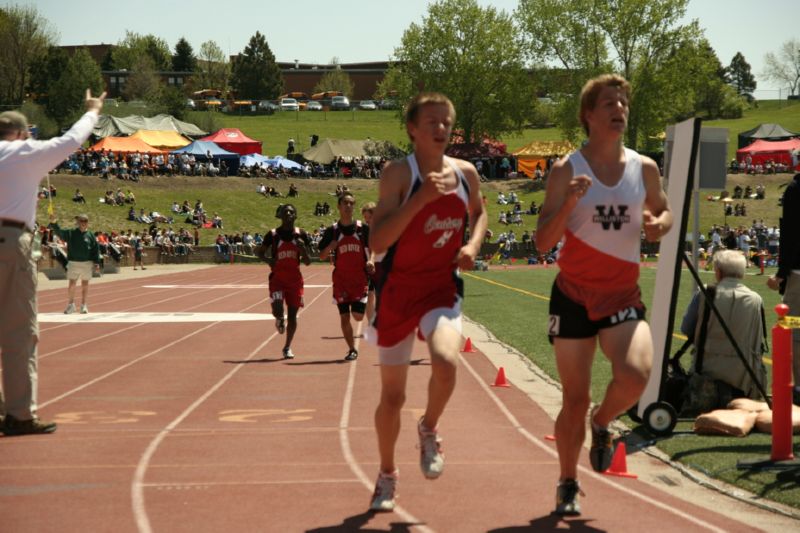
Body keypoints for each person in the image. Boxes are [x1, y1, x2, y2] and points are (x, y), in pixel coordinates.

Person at [535, 74, 672, 516]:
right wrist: (570, 205)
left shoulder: (644, 167)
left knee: (635, 376)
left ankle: (602, 421)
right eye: (609, 102)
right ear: (588, 115)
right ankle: (568, 482)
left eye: (624, 103)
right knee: (572, 399)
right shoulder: (566, 170)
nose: (619, 109)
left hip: (621, 296)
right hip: (573, 296)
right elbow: (541, 242)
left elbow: (664, 210)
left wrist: (660, 225)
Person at [367, 92, 487, 512]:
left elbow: (480, 212)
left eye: (447, 122)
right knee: (392, 398)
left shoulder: (467, 172)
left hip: (441, 287)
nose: (441, 128)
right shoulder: (399, 174)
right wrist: (419, 202)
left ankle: (429, 428)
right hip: (398, 291)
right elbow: (377, 241)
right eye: (432, 121)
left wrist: (472, 243)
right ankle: (386, 474)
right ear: (413, 130)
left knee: (446, 364)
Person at [0, 88, 104, 436]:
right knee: (18, 333)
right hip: (11, 240)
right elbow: (72, 140)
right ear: (21, 133)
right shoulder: (23, 152)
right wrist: (92, 110)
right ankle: (19, 413)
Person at [680, 250, 767, 411]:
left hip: (706, 376)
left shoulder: (706, 292)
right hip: (744, 381)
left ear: (718, 272)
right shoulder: (756, 299)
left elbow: (686, 329)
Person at [317, 192, 374, 361]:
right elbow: (321, 255)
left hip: (359, 279)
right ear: (339, 206)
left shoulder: (362, 229)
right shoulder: (332, 231)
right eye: (345, 203)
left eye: (351, 203)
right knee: (344, 316)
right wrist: (330, 247)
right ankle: (352, 350)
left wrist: (371, 260)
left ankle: (361, 316)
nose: (348, 206)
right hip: (341, 280)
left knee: (357, 316)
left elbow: (374, 247)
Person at [255, 204, 312, 359]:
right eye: (285, 212)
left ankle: (287, 347)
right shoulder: (273, 235)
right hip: (278, 280)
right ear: (280, 215)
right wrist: (268, 260)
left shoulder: (301, 234)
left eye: (291, 212)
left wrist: (303, 250)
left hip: (295, 281)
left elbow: (308, 262)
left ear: (295, 216)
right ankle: (279, 319)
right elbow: (258, 252)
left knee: (293, 316)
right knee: (278, 310)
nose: (288, 214)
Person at [768, 172, 800, 403]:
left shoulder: (795, 189)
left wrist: (780, 273)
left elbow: (791, 234)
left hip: (798, 274)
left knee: (793, 328)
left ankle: (798, 386)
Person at [49, 212, 101, 314]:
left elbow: (95, 250)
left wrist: (97, 263)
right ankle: (71, 305)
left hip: (87, 263)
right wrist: (54, 222)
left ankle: (83, 305)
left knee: (85, 284)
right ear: (78, 222)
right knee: (72, 284)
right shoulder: (71, 233)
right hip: (73, 262)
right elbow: (59, 232)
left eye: (85, 221)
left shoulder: (90, 235)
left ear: (87, 223)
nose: (83, 223)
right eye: (81, 221)